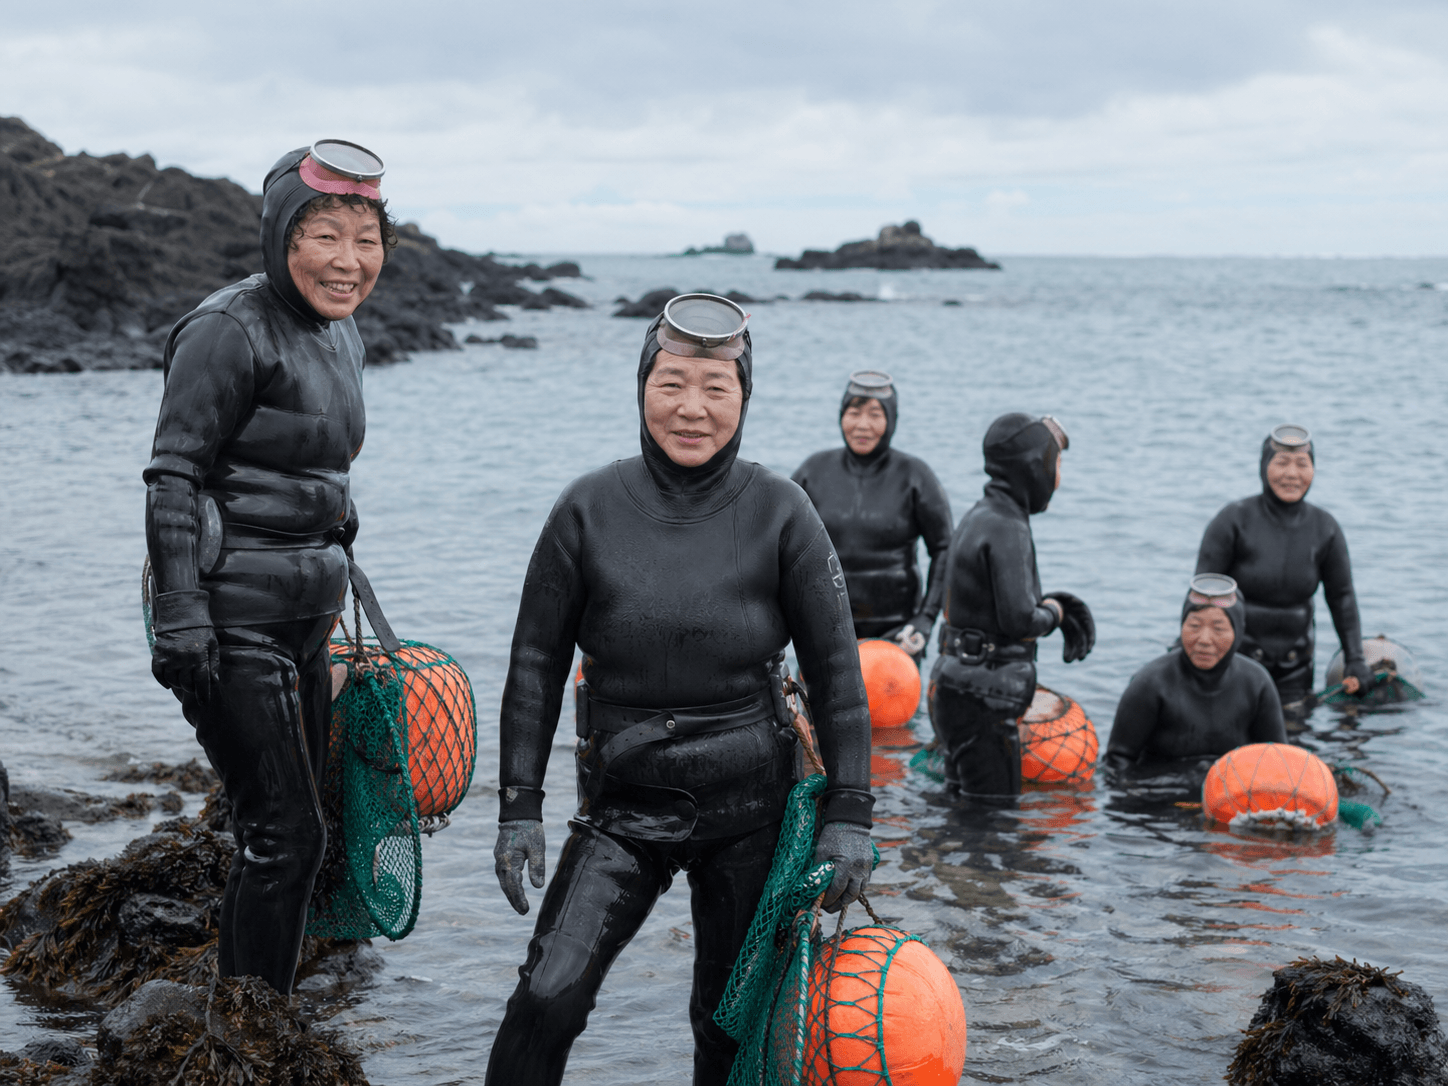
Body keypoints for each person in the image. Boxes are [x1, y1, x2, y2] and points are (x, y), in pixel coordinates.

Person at [487, 294, 874, 1085]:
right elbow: (535, 663)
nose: (691, 409)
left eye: (716, 388)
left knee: (727, 1026)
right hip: (621, 810)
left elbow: (838, 675)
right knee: (548, 997)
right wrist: (519, 805)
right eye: (671, 384)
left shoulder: (782, 511)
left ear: (743, 398)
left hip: (752, 811)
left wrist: (850, 818)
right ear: (641, 388)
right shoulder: (587, 508)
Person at [143, 140, 395, 993]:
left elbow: (309, 460)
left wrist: (335, 517)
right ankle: (251, 1032)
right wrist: (179, 611)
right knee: (286, 834)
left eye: (365, 241)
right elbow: (173, 474)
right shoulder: (227, 329)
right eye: (325, 236)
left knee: (294, 824)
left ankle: (260, 1001)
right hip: (226, 622)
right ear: (282, 234)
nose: (347, 262)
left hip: (307, 623)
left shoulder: (342, 333)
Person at [928, 413, 1094, 799]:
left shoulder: (981, 514)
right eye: (1056, 465)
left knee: (962, 802)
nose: (1058, 478)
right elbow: (1019, 618)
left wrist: (1051, 608)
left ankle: (948, 858)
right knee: (994, 817)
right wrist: (1057, 611)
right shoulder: (1008, 526)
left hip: (955, 684)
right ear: (1034, 468)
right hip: (984, 696)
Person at [1195, 424, 1370, 724]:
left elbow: (1341, 598)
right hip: (1236, 661)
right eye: (1282, 463)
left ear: (1314, 470)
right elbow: (1202, 596)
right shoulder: (1233, 521)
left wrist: (1354, 657)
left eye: (1302, 464)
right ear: (1264, 467)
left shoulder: (1325, 528)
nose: (1292, 474)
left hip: (1295, 666)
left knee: (1292, 743)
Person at [792, 371, 953, 660]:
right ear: (842, 416)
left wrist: (925, 619)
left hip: (897, 636)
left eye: (875, 415)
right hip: (825, 634)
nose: (862, 425)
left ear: (891, 421)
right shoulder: (813, 472)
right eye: (854, 413)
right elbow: (778, 547)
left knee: (890, 707)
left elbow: (945, 549)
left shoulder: (915, 476)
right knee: (822, 706)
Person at [1105, 574, 1285, 768]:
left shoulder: (1257, 683)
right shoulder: (1150, 683)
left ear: (1238, 632)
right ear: (1181, 626)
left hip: (1229, 795)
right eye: (1194, 626)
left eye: (1218, 628)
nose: (1204, 639)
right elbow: (1117, 761)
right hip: (1162, 793)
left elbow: (1278, 760)